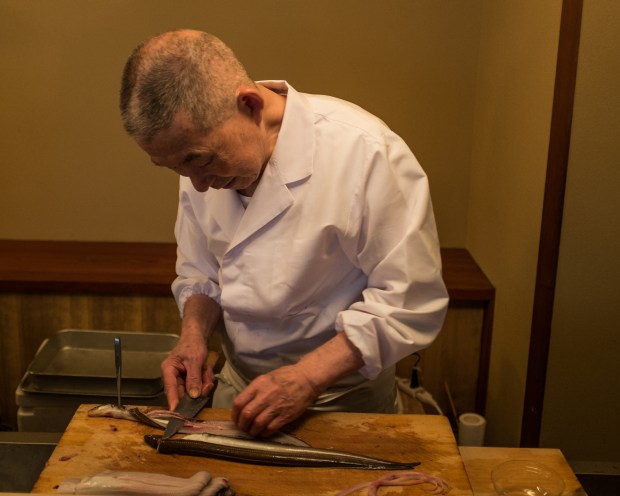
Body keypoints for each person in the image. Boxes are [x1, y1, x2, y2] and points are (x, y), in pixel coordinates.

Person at [119, 29, 449, 438]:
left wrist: (307, 378)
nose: (197, 185)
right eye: (176, 169)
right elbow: (201, 271)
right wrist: (193, 335)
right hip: (238, 390)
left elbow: (409, 302)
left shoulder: (365, 152)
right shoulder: (198, 156)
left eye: (199, 162)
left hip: (343, 398)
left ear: (250, 105)